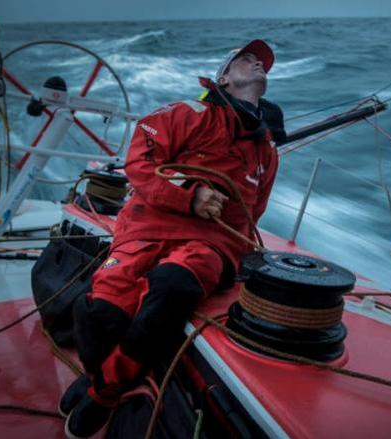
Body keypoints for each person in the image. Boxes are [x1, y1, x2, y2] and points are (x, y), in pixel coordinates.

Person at [62, 39, 285, 438]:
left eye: (263, 62)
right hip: (149, 228)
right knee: (100, 311)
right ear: (224, 77)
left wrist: (240, 256)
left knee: (173, 286)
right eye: (246, 59)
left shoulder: (267, 152)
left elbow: (255, 213)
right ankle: (105, 376)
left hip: (212, 243)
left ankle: (102, 391)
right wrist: (191, 194)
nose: (257, 64)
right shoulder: (187, 113)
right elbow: (140, 162)